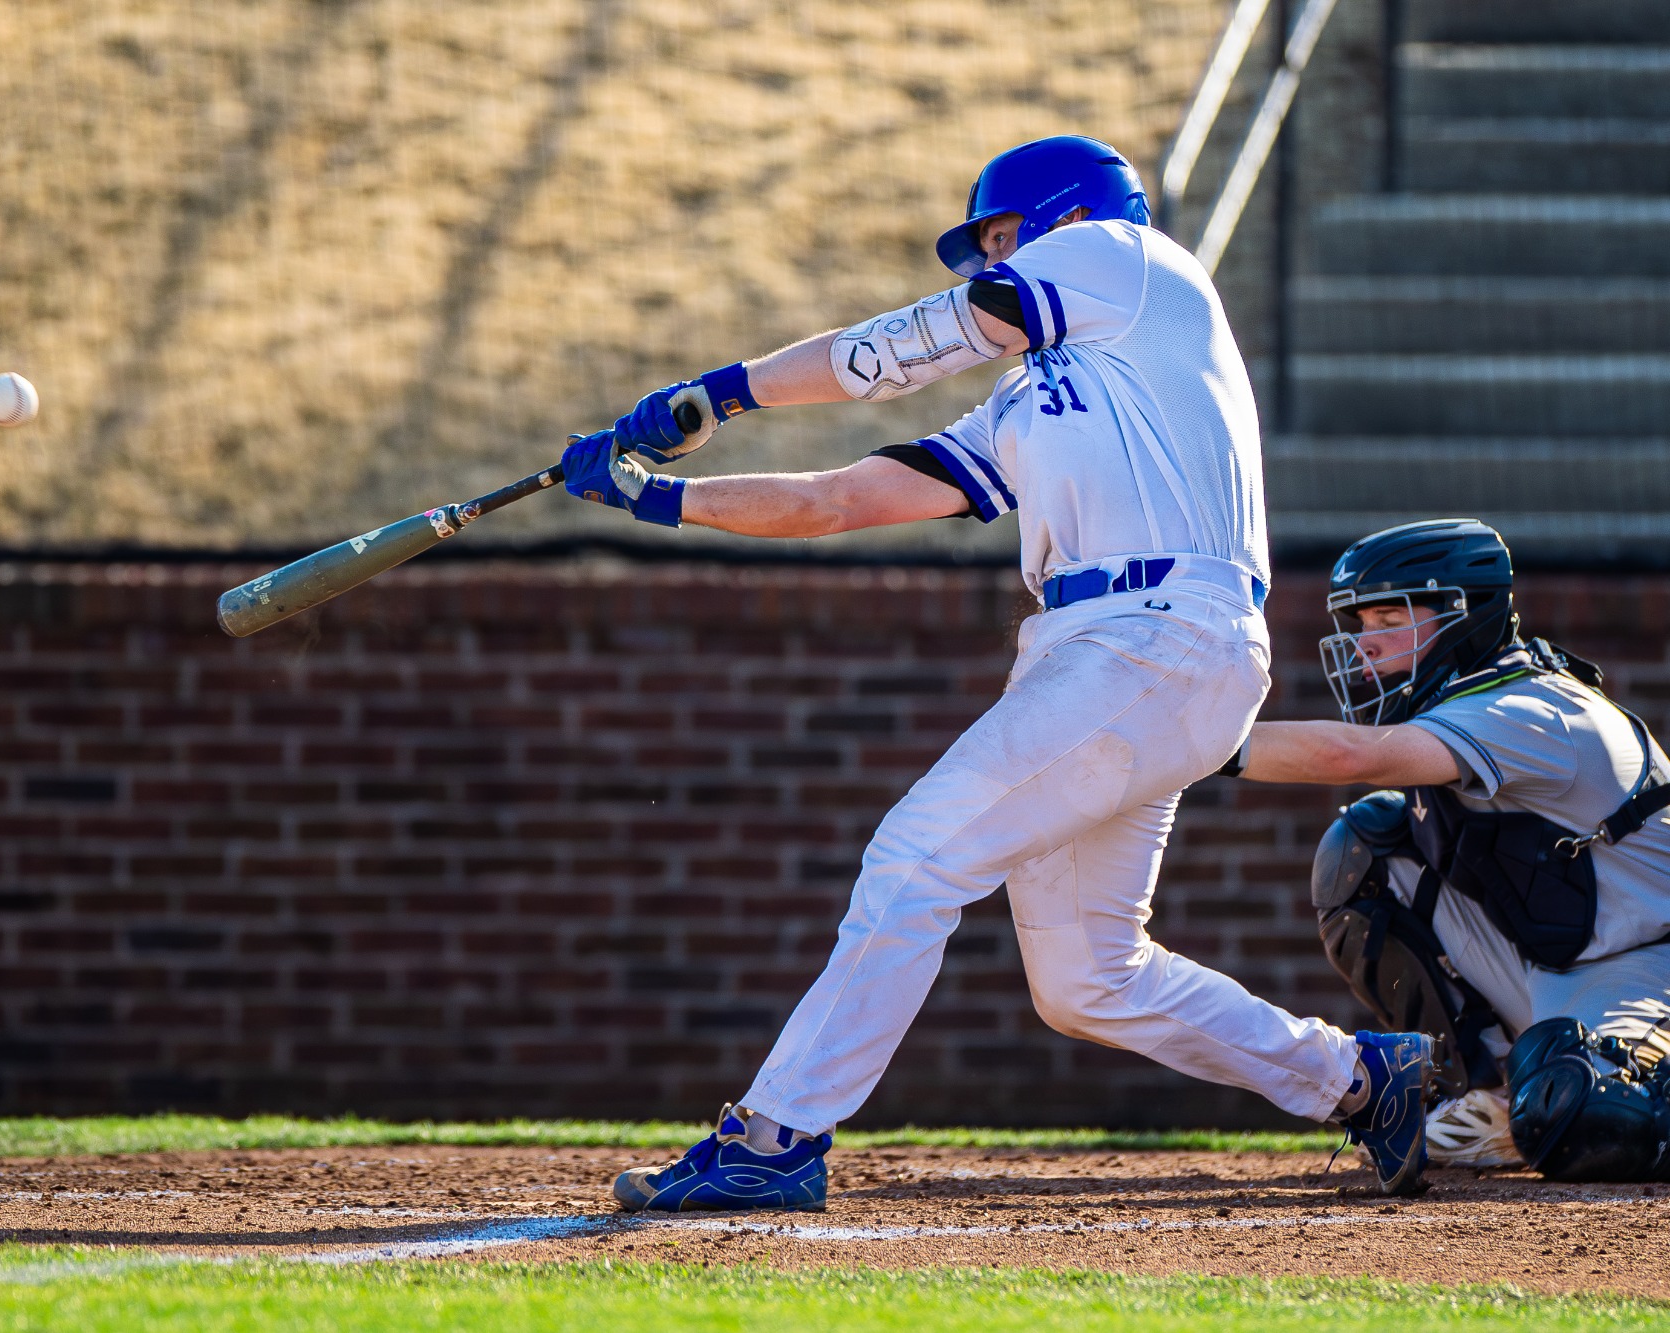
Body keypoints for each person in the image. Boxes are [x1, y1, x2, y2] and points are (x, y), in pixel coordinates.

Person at [558, 135, 1437, 1210]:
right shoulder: (1030, 404)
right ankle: (1357, 1078)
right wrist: (656, 494)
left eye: (999, 236)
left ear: (1065, 215)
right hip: (1107, 652)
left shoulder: (1127, 257)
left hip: (1158, 632)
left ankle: (775, 1136)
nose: (986, 259)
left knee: (914, 859)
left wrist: (721, 392)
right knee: (1086, 978)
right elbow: (843, 500)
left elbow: (910, 343)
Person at [1223, 518, 1670, 1180]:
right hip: (1558, 960)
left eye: (1387, 618)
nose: (1365, 644)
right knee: (1364, 851)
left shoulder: (1529, 705)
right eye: (1360, 621)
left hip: (1647, 967)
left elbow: (1353, 754)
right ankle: (1491, 1087)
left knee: (1583, 1113)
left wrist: (1192, 742)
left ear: (1461, 613)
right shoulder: (1466, 701)